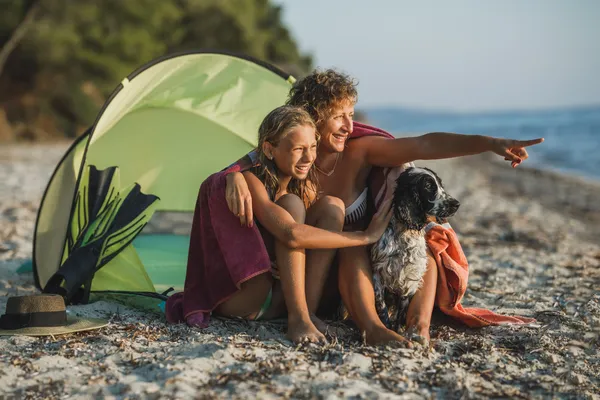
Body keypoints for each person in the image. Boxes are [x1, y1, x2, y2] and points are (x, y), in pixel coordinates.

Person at [225, 69, 544, 346]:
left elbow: (424, 144)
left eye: (352, 114)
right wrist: (232, 177)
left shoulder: (359, 153)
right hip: (305, 286)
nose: (349, 126)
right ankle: (372, 330)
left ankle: (418, 328)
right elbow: (248, 168)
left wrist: (487, 143)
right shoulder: (287, 160)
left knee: (426, 242)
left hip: (362, 278)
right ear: (312, 115)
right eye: (339, 115)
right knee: (350, 238)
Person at [171, 105, 394, 344]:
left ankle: (307, 313)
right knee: (292, 205)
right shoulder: (250, 180)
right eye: (298, 149)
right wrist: (365, 236)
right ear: (268, 149)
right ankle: (299, 318)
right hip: (248, 300)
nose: (309, 157)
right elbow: (291, 235)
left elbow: (302, 238)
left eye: (312, 147)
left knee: (332, 206)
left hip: (279, 299)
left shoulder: (304, 184)